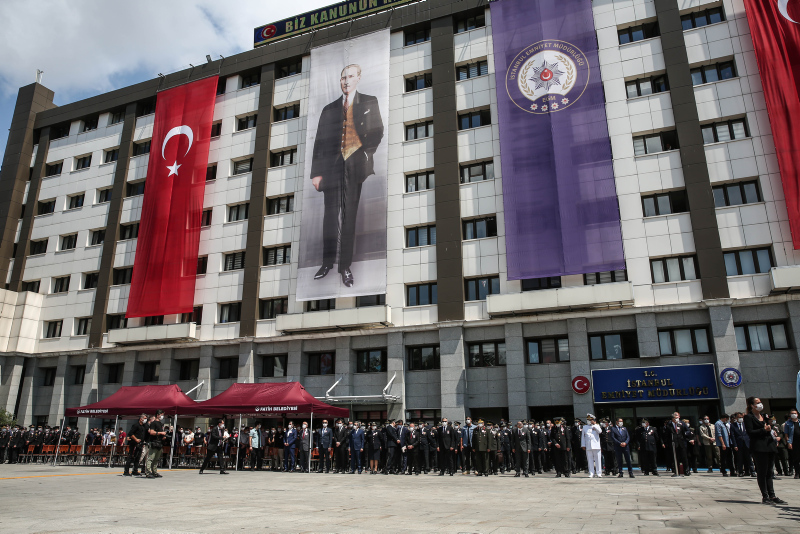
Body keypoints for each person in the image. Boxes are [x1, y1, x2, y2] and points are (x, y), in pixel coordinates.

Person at [309, 63, 385, 287]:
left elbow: (377, 131)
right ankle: (327, 262)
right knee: (329, 217)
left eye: (350, 76)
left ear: (358, 78)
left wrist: (365, 154)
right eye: (343, 77)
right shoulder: (329, 109)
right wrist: (316, 173)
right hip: (331, 169)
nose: (346, 81)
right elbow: (319, 143)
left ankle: (345, 267)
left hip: (354, 166)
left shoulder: (369, 101)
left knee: (349, 216)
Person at [744, 397, 786, 505]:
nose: (760, 404)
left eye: (760, 402)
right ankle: (765, 496)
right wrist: (764, 430)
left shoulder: (764, 416)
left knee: (769, 472)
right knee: (762, 471)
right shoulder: (748, 417)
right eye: (757, 403)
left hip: (769, 445)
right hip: (759, 447)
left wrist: (772, 432)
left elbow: (769, 428)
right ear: (752, 405)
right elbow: (750, 432)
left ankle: (772, 495)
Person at [666, 412, 691, 477]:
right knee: (675, 458)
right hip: (674, 443)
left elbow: (688, 431)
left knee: (684, 457)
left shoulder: (682, 423)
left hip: (681, 442)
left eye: (676, 417)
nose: (675, 418)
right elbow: (667, 434)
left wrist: (684, 434)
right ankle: (676, 471)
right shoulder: (669, 424)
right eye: (674, 417)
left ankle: (686, 471)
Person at [731, 412, 754, 477]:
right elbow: (732, 436)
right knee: (740, 459)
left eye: (741, 417)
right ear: (736, 418)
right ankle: (740, 471)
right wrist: (735, 445)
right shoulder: (733, 425)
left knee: (749, 458)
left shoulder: (745, 424)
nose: (740, 419)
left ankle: (752, 471)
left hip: (746, 443)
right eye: (739, 417)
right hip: (739, 444)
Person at [145, 410, 166, 479]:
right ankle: (148, 472)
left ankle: (154, 472)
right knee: (151, 458)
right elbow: (151, 432)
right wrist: (160, 433)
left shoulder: (160, 423)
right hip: (154, 442)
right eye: (161, 415)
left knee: (156, 459)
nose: (162, 416)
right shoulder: (153, 423)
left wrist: (163, 436)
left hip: (159, 442)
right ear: (157, 415)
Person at [784, 409, 800, 478]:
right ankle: (797, 473)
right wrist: (788, 442)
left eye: (795, 413)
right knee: (796, 458)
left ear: (797, 414)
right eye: (792, 413)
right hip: (794, 442)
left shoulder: (799, 422)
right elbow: (786, 434)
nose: (794, 414)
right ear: (790, 415)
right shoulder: (787, 423)